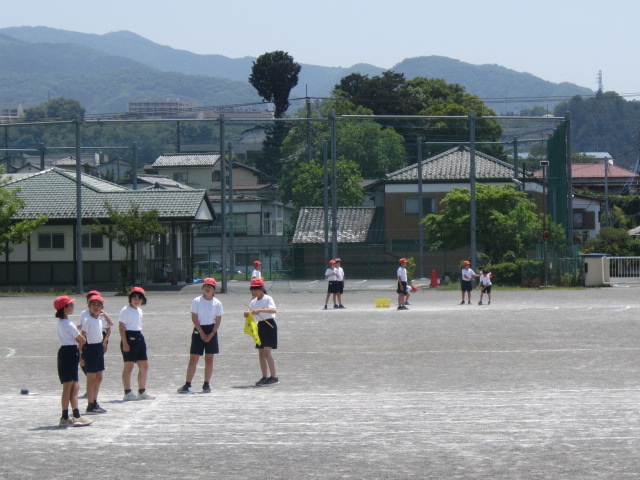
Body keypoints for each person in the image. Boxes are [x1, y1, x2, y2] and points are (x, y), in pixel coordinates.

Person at [177, 278, 223, 394]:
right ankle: (187, 384)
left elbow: (218, 321)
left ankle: (206, 384)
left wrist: (211, 334)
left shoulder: (217, 303)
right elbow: (194, 318)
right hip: (199, 330)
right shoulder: (197, 301)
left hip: (211, 330)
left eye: (210, 286)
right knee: (194, 358)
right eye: (206, 286)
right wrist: (201, 333)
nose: (207, 288)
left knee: (209, 358)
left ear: (214, 289)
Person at [54, 295, 93, 427]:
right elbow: (82, 340)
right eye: (70, 305)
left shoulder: (63, 323)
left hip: (68, 352)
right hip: (69, 353)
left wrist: (77, 332)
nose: (72, 306)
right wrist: (83, 330)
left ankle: (76, 414)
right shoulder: (68, 324)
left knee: (74, 385)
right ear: (64, 308)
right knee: (68, 386)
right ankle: (65, 416)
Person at [119, 287, 155, 401]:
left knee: (144, 365)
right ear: (130, 298)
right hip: (129, 337)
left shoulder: (139, 310)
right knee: (128, 367)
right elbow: (121, 327)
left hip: (139, 336)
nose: (136, 300)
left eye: (139, 298)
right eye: (134, 297)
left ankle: (142, 391)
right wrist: (125, 342)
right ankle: (127, 392)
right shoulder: (125, 310)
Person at [244, 277, 278, 386]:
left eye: (257, 289)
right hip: (260, 326)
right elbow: (249, 312)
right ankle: (264, 376)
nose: (255, 291)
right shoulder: (253, 301)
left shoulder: (268, 298)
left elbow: (273, 310)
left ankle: (274, 377)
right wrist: (246, 314)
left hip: (269, 325)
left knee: (267, 352)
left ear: (262, 289)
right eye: (253, 289)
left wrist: (260, 310)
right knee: (261, 353)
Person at [81, 295, 112, 414]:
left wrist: (104, 314)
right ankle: (90, 405)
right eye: (93, 304)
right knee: (91, 378)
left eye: (99, 305)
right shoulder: (87, 320)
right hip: (90, 349)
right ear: (89, 305)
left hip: (99, 348)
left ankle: (94, 401)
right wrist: (80, 353)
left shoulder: (99, 319)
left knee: (99, 377)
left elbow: (110, 324)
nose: (96, 307)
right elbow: (82, 336)